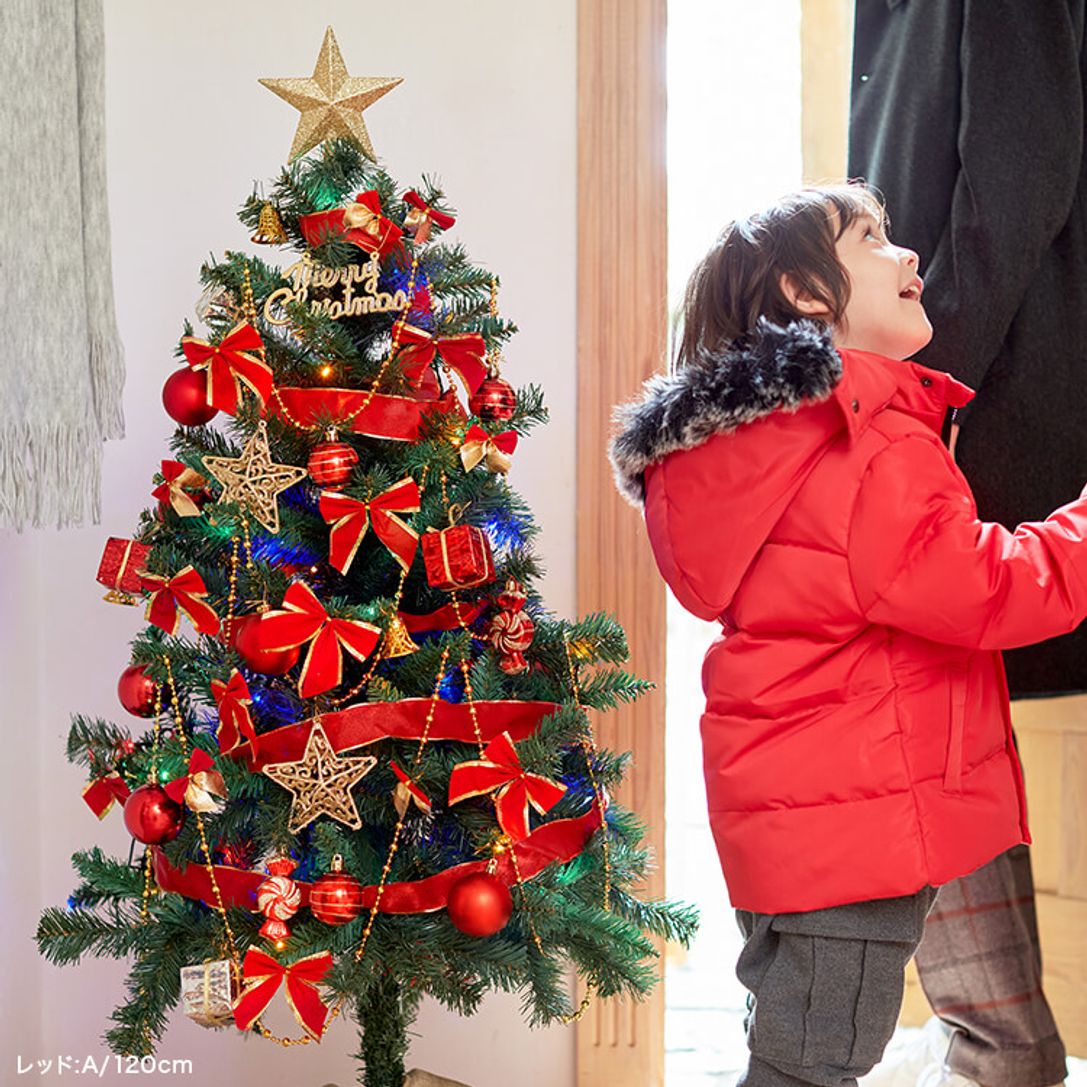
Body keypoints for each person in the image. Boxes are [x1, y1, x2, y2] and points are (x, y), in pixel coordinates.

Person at [608, 183, 1087, 1087]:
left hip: (803, 818)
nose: (907, 257)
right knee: (809, 1065)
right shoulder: (860, 447)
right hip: (853, 824)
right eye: (872, 240)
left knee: (793, 1044)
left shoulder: (770, 449)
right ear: (804, 290)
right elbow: (988, 588)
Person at [847, 5, 1081, 1085]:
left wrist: (928, 381)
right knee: (921, 709)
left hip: (989, 394)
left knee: (930, 695)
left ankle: (1001, 1049)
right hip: (929, 395)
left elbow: (1019, 178)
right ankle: (996, 1044)